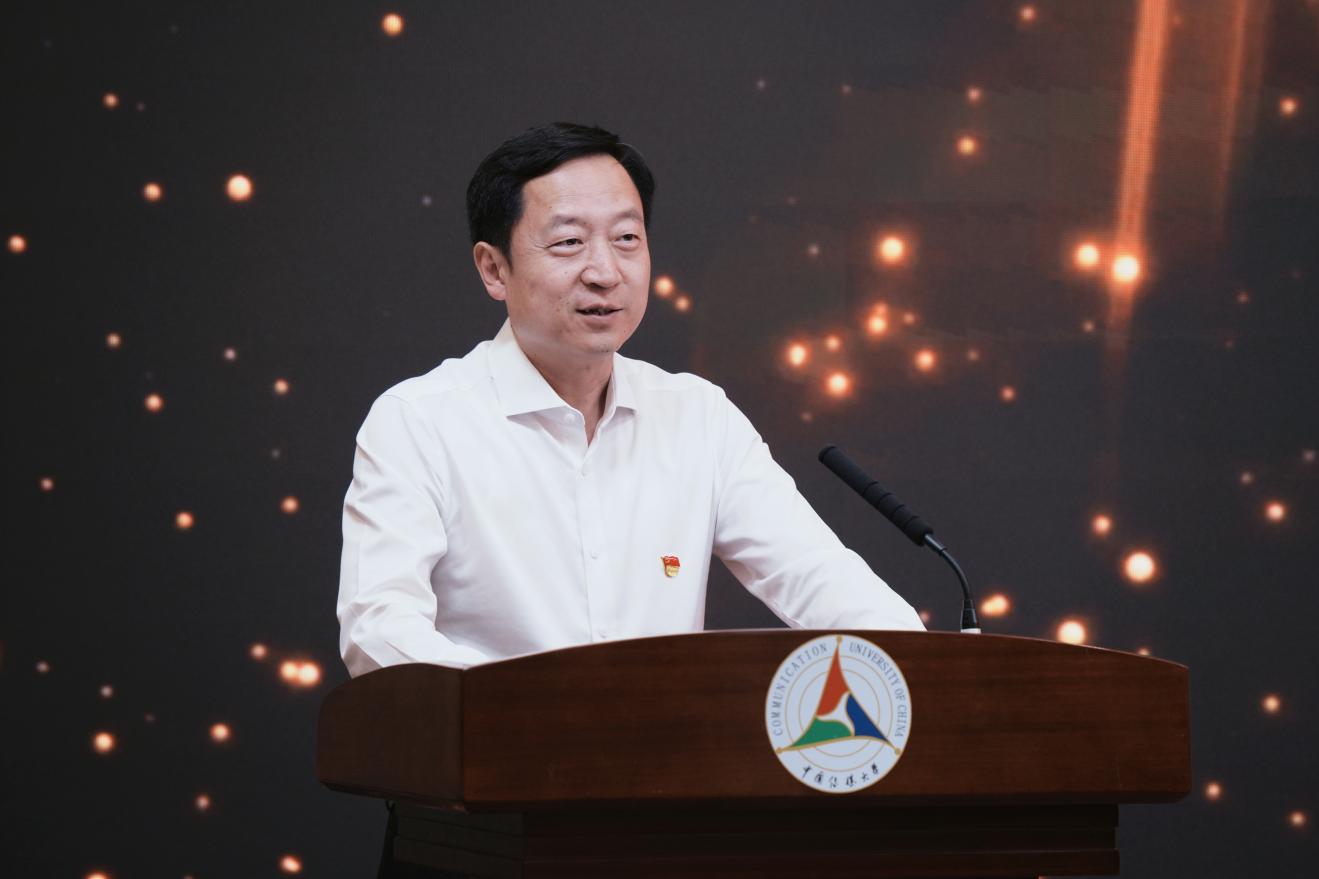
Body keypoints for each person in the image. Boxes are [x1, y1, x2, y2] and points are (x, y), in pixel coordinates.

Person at [337, 122, 923, 677]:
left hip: (665, 752)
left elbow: (818, 578)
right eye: (569, 242)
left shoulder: (698, 417)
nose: (604, 271)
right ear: (494, 269)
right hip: (496, 747)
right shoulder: (420, 422)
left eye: (626, 240)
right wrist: (538, 709)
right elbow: (378, 631)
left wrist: (932, 672)